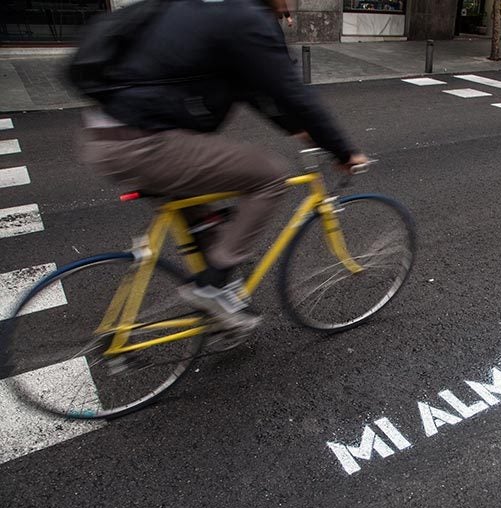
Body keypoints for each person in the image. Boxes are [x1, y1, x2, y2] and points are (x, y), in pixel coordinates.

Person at [79, 0, 368, 331]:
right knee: (271, 177)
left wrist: (296, 128)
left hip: (106, 134)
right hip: (145, 142)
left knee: (206, 220)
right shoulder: (247, 20)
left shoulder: (214, 11)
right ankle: (212, 287)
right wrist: (343, 152)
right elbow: (293, 92)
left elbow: (255, 92)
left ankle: (220, 312)